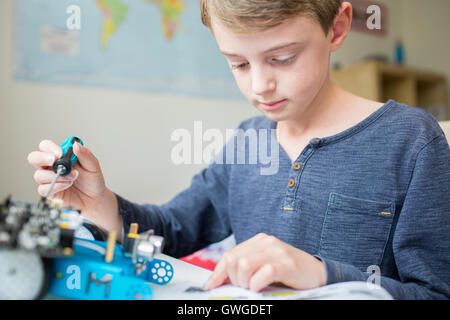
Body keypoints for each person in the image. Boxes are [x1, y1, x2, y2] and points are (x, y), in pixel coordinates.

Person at [27, 0, 450, 299]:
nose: (259, 86)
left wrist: (323, 275)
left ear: (336, 29)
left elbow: (435, 292)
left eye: (283, 58)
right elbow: (172, 229)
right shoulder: (247, 143)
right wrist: (100, 203)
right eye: (238, 64)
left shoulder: (411, 141)